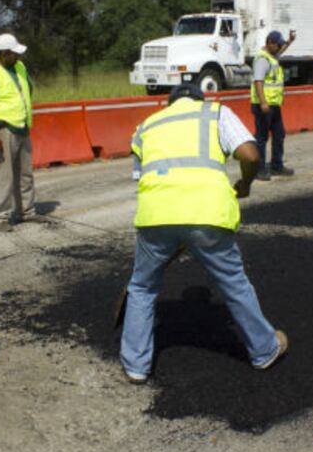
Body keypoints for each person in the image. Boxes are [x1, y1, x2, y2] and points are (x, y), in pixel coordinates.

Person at [121, 83, 288, 383]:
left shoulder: (145, 126)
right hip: (207, 215)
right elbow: (250, 155)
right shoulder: (216, 113)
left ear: (170, 103)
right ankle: (264, 351)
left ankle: (135, 366)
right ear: (200, 99)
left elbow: (141, 176)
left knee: (142, 289)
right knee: (234, 284)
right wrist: (246, 184)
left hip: (155, 216)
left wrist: (172, 227)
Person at [0, 33, 36, 232]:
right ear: (4, 54)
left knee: (25, 174)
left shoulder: (19, 67)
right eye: (13, 54)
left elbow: (27, 90)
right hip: (4, 129)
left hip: (22, 126)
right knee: (4, 176)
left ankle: (26, 211)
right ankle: (0, 216)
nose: (17, 57)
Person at [251, 29, 296, 180]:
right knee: (261, 138)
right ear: (270, 43)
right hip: (263, 106)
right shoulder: (263, 60)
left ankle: (277, 165)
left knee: (279, 134)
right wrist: (263, 102)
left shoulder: (272, 56)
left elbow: (281, 51)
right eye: (277, 45)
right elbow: (258, 82)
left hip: (274, 105)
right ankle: (259, 169)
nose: (279, 48)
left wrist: (290, 41)